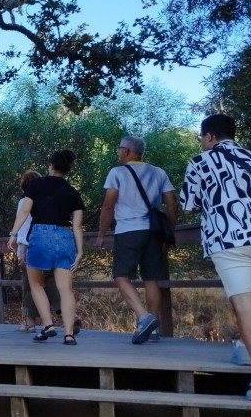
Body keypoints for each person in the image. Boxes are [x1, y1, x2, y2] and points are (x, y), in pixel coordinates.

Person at [179, 114, 251, 401]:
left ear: (210, 136)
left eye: (202, 137)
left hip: (228, 239)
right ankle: (242, 349)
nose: (201, 142)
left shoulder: (199, 163)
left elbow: (189, 204)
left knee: (245, 306)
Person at [95, 136, 177, 345]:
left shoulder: (118, 173)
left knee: (121, 276)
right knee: (152, 278)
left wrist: (101, 234)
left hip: (128, 230)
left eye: (119, 148)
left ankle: (144, 317)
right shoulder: (159, 172)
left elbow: (108, 206)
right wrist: (170, 230)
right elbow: (171, 203)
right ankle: (154, 329)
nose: (118, 152)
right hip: (153, 231)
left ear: (128, 151)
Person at [7, 150, 85, 346]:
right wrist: (80, 251)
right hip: (65, 236)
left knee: (36, 284)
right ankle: (68, 334)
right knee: (65, 288)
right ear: (67, 170)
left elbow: (25, 210)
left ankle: (48, 325)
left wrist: (14, 234)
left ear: (51, 166)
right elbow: (77, 226)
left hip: (40, 236)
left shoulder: (36, 185)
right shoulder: (73, 192)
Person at [16, 170, 62, 333]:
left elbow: (23, 228)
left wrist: (21, 251)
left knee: (30, 286)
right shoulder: (47, 201)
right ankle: (65, 312)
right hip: (49, 246)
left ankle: (30, 322)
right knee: (50, 282)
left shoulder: (25, 203)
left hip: (31, 248)